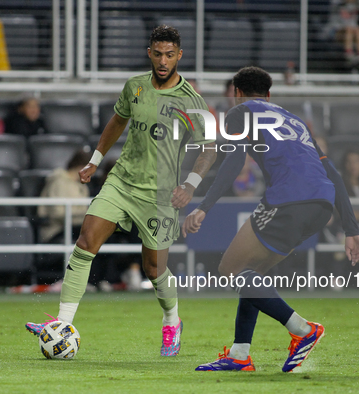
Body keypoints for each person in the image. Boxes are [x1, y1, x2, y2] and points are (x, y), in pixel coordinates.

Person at [25, 25, 217, 357]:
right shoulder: (135, 87)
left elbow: (209, 149)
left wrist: (190, 185)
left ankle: (172, 319)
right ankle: (61, 323)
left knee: (154, 269)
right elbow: (117, 121)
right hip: (122, 181)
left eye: (169, 54)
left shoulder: (191, 101)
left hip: (161, 196)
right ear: (149, 53)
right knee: (85, 242)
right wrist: (96, 160)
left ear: (179, 56)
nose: (163, 60)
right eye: (157, 53)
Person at [183, 66, 359, 372]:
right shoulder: (294, 119)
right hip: (321, 204)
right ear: (269, 95)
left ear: (236, 94)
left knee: (230, 269)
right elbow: (332, 172)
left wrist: (204, 206)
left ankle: (303, 330)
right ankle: (240, 356)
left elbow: (235, 158)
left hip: (289, 200)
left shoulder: (240, 111)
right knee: (250, 273)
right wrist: (351, 227)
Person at [38, 150, 91, 244]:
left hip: (75, 230)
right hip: (56, 231)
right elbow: (57, 213)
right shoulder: (58, 182)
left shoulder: (83, 187)